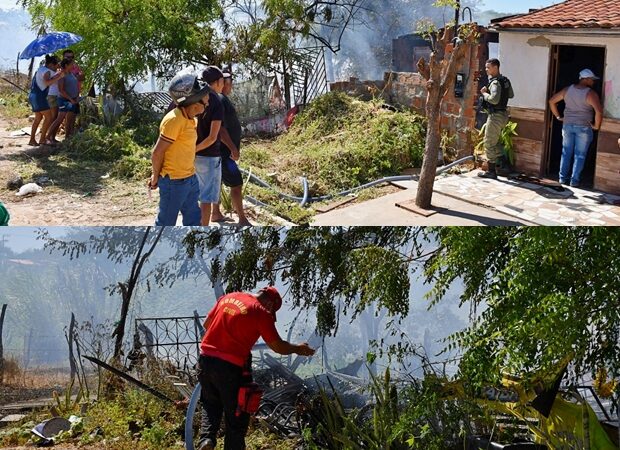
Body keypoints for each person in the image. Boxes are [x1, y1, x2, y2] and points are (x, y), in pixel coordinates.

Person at [197, 286, 315, 450]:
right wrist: (298, 348)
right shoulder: (260, 312)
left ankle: (206, 440)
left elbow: (206, 324)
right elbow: (278, 346)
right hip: (230, 368)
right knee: (237, 417)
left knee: (210, 404)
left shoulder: (228, 297)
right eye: (272, 309)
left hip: (205, 360)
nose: (270, 312)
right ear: (269, 303)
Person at [148, 73, 211, 226]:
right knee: (166, 224)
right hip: (173, 183)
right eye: (206, 99)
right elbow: (157, 152)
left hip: (190, 179)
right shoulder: (174, 120)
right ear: (194, 101)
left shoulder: (190, 120)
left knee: (194, 221)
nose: (208, 102)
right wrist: (155, 176)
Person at [549, 69, 604, 188]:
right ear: (586, 79)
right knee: (580, 155)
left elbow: (552, 101)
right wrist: (596, 126)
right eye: (592, 79)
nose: (593, 82)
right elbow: (599, 111)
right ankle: (574, 181)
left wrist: (558, 116)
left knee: (566, 153)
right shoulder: (591, 94)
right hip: (583, 127)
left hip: (567, 125)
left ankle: (562, 179)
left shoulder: (567, 90)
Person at [210, 71, 252, 226]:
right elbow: (220, 129)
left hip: (219, 152)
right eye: (230, 82)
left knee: (217, 182)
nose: (232, 86)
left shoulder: (218, 99)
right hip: (225, 152)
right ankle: (242, 218)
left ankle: (215, 213)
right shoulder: (220, 99)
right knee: (236, 183)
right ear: (224, 83)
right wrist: (233, 148)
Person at [195, 66, 226, 226]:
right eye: (222, 81)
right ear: (217, 82)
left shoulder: (193, 97)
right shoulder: (216, 101)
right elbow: (212, 137)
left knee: (193, 196)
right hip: (208, 157)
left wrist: (190, 151)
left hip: (191, 157)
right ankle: (202, 232)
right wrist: (196, 149)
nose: (224, 84)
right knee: (206, 199)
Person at [478, 58, 514, 179]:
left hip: (495, 116)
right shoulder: (505, 80)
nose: (486, 69)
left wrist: (484, 93)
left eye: (488, 67)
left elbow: (494, 99)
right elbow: (511, 95)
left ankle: (491, 171)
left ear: (495, 67)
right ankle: (505, 165)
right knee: (496, 142)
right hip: (503, 115)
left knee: (488, 142)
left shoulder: (495, 82)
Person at [28, 55, 64, 146]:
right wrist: (59, 76)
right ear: (51, 64)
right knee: (49, 118)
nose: (57, 68)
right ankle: (42, 139)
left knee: (38, 118)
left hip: (34, 95)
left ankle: (32, 139)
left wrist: (57, 74)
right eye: (56, 66)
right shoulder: (47, 71)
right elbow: (47, 82)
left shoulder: (40, 69)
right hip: (40, 96)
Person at [46, 58, 80, 143]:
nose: (73, 65)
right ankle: (47, 137)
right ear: (66, 65)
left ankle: (68, 139)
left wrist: (76, 97)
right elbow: (61, 90)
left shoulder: (71, 74)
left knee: (70, 120)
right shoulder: (61, 75)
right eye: (71, 64)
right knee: (59, 119)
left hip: (73, 99)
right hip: (65, 100)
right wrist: (70, 99)